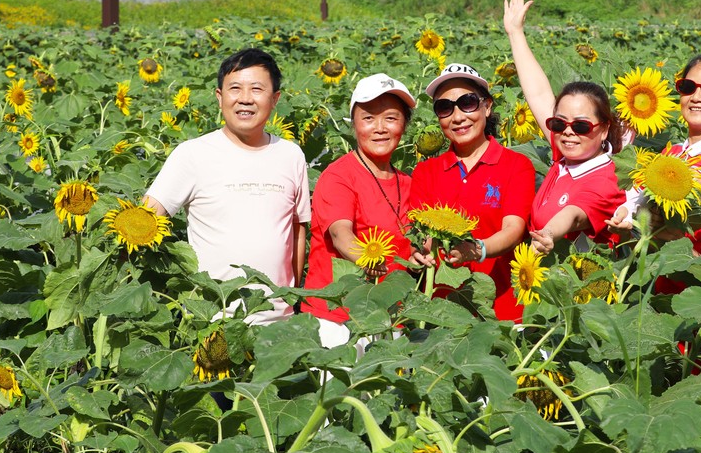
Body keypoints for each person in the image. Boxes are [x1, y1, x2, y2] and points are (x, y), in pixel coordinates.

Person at [144, 47, 310, 325]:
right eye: (235, 88)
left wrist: (292, 302)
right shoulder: (192, 154)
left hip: (279, 324)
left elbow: (297, 229)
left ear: (275, 99)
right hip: (213, 321)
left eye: (257, 89)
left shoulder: (291, 154)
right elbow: (147, 217)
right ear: (220, 98)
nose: (245, 99)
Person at [407, 63, 536, 322]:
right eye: (445, 108)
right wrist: (419, 252)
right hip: (440, 314)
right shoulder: (426, 172)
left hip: (503, 312)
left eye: (467, 103)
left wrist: (477, 249)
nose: (457, 117)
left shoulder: (516, 165)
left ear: (487, 107)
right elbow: (421, 233)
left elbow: (513, 229)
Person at [502, 0, 625, 254]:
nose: (568, 132)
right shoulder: (569, 153)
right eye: (559, 124)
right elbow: (538, 92)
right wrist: (515, 32)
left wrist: (548, 233)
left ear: (604, 129)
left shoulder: (606, 179)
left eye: (581, 125)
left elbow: (574, 213)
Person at [302, 74, 417, 346]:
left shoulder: (409, 183)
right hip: (340, 318)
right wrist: (368, 259)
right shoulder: (339, 176)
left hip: (391, 316)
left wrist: (419, 257)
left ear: (404, 125)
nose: (380, 128)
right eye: (368, 118)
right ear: (353, 125)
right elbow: (342, 235)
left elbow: (407, 245)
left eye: (391, 118)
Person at [609, 52, 701, 255]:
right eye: (688, 87)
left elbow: (669, 192)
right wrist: (624, 214)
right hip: (659, 278)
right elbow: (635, 198)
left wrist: (639, 210)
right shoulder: (673, 151)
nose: (696, 97)